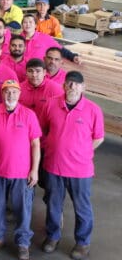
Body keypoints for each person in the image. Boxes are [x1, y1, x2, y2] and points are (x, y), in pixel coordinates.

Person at [40, 71, 104, 260]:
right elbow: (43, 129)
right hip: (53, 166)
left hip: (80, 170)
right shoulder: (51, 104)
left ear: (83, 87)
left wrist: (83, 152)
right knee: (53, 204)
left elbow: (98, 138)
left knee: (81, 207)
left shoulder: (93, 110)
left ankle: (83, 242)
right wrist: (51, 147)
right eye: (69, 83)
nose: (72, 87)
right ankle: (52, 237)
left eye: (76, 84)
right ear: (64, 85)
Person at [0, 80, 41, 260]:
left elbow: (35, 144)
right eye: (7, 92)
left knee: (23, 208)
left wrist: (34, 170)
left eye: (14, 92)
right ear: (2, 94)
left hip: (22, 173)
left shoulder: (29, 115)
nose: (10, 95)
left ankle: (23, 242)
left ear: (20, 94)